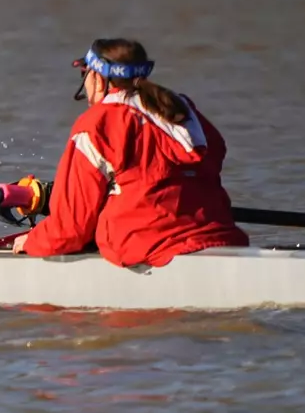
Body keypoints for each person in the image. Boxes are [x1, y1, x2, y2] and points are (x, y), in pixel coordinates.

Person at [13, 39, 247, 267]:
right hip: (222, 237)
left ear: (96, 77)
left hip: (150, 248)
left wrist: (32, 241)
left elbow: (70, 229)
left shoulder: (98, 123)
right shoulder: (183, 111)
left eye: (83, 74)